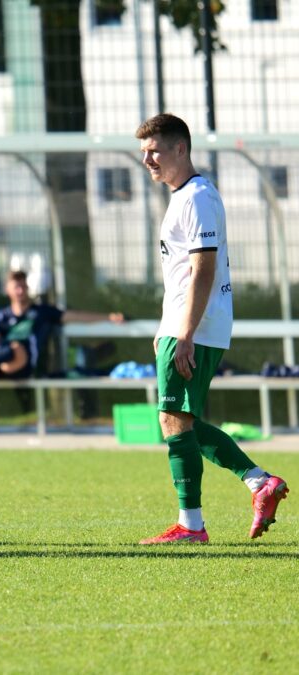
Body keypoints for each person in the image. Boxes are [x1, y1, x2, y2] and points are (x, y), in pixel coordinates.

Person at [134, 113, 287, 544]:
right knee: (176, 419)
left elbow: (204, 268)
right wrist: (170, 326)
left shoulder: (197, 196)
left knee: (174, 418)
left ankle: (194, 524)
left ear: (181, 149)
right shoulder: (184, 195)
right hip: (188, 323)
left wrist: (183, 333)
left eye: (155, 151)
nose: (148, 160)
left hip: (195, 326)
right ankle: (258, 484)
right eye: (144, 152)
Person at [0, 269, 124, 433]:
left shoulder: (42, 312)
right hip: (1, 364)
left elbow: (75, 316)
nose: (20, 291)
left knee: (15, 348)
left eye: (23, 286)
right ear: (8, 289)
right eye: (16, 287)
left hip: (25, 366)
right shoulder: (1, 316)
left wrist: (108, 317)